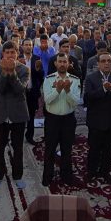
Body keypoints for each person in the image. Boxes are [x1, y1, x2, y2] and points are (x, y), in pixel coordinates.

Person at [0, 40, 29, 189]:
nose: (10, 55)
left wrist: (12, 72)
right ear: (3, 54)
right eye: (7, 52)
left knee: (18, 147)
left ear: (17, 54)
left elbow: (19, 89)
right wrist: (5, 72)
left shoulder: (24, 69)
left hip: (17, 112)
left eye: (13, 52)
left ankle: (18, 175)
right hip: (0, 112)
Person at [84, 52, 111, 184]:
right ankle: (91, 171)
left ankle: (105, 172)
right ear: (98, 64)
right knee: (94, 149)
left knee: (109, 149)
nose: (107, 63)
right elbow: (88, 98)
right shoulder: (91, 78)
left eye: (109, 61)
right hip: (96, 121)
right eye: (103, 61)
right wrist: (104, 89)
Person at [42, 52, 81, 186]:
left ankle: (66, 176)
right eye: (60, 61)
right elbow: (47, 100)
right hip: (52, 120)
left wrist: (68, 91)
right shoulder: (48, 79)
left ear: (69, 63)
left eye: (65, 61)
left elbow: (75, 102)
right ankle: (47, 176)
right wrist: (58, 90)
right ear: (55, 63)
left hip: (68, 120)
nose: (62, 64)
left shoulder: (75, 80)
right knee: (50, 150)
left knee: (67, 149)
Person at [19, 38, 43, 144]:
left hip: (32, 92)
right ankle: (18, 137)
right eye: (26, 45)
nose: (28, 47)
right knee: (20, 116)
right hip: (20, 92)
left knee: (31, 116)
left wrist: (38, 70)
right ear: (22, 46)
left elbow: (41, 77)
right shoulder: (18, 58)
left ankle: (29, 136)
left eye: (30, 45)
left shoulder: (37, 59)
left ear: (32, 46)